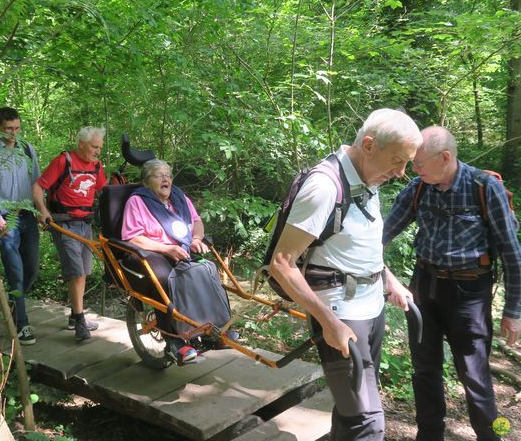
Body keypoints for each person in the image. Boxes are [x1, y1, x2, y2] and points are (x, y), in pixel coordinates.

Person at [269, 108, 421, 440]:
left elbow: (359, 244)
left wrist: (389, 279)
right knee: (366, 421)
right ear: (369, 145)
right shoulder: (324, 187)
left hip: (371, 308)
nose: (401, 172)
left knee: (350, 411)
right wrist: (329, 323)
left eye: (406, 163)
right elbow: (282, 264)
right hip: (340, 315)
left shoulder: (367, 178)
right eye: (397, 160)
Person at [383, 126, 521, 441]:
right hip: (424, 287)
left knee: (476, 376)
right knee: (424, 369)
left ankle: (494, 435)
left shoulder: (484, 188)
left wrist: (513, 310)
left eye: (418, 163)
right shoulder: (419, 188)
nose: (412, 169)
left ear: (445, 157)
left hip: (470, 293)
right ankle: (429, 435)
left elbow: (513, 254)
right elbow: (382, 234)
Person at [121, 159, 232, 364]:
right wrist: (166, 248)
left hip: (181, 249)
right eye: (158, 175)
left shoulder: (179, 198)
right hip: (152, 251)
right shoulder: (137, 201)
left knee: (206, 270)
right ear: (146, 182)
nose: (166, 179)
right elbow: (132, 236)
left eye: (168, 175)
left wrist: (196, 239)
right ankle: (175, 343)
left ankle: (214, 330)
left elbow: (196, 221)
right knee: (165, 280)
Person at [32, 127, 107, 341]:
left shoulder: (97, 166)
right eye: (94, 147)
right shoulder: (64, 161)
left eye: (100, 148)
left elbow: (104, 191)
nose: (97, 152)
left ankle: (75, 316)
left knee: (83, 271)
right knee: (75, 271)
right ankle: (80, 321)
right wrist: (43, 211)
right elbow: (38, 187)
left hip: (85, 223)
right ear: (81, 144)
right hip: (64, 224)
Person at [0, 107, 41, 345]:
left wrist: (40, 210)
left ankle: (15, 303)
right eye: (8, 129)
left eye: (17, 128)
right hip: (5, 220)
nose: (13, 133)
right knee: (15, 272)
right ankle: (22, 324)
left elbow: (36, 181)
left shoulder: (27, 149)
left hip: (28, 216)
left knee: (32, 268)